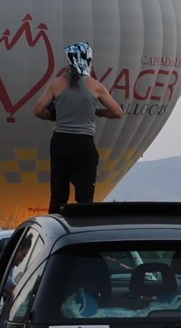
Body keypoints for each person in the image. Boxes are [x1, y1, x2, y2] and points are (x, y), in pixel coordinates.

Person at [29, 43, 123, 212]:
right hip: (83, 143)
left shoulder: (56, 84)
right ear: (88, 61)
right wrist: (98, 112)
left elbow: (38, 111)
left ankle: (55, 228)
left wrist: (53, 116)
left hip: (60, 142)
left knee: (58, 194)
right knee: (85, 196)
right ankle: (84, 229)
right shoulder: (95, 86)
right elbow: (117, 112)